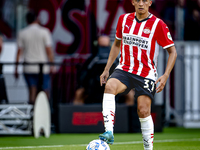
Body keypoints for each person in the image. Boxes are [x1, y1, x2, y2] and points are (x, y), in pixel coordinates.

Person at [98, 0, 177, 150]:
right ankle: (108, 131)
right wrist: (107, 68)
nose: (141, 3)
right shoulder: (123, 19)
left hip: (146, 73)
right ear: (133, 2)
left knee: (143, 110)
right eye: (138, 0)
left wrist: (166, 75)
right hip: (125, 69)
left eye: (145, 0)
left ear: (150, 2)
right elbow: (116, 44)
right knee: (109, 86)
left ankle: (148, 149)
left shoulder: (158, 24)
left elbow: (172, 51)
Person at [15, 11, 54, 105]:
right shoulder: (44, 32)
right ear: (37, 19)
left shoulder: (22, 33)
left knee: (32, 91)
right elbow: (49, 50)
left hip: (28, 66)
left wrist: (16, 68)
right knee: (45, 91)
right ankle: (45, 113)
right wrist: (52, 64)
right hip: (43, 67)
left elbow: (19, 52)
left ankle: (32, 114)